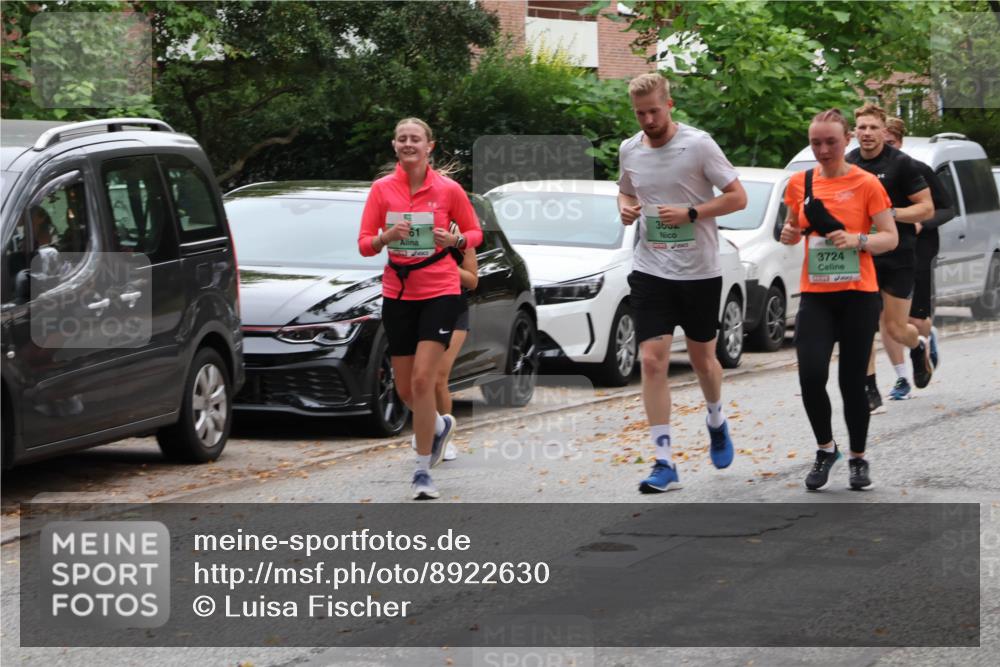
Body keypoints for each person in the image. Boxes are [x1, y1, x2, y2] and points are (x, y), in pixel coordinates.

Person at [617, 72, 748, 493]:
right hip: (650, 269)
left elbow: (738, 197)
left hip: (699, 272)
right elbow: (626, 191)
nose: (648, 120)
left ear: (669, 105)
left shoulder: (699, 145)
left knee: (703, 362)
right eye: (640, 113)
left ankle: (716, 418)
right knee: (652, 360)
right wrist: (626, 208)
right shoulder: (630, 149)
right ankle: (664, 461)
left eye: (654, 111)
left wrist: (692, 213)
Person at [358, 117, 482, 500]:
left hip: (440, 291)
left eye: (415, 139)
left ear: (430, 146)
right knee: (405, 389)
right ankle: (440, 427)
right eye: (402, 139)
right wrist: (386, 237)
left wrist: (454, 240)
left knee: (424, 380)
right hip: (398, 293)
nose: (408, 144)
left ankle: (422, 472)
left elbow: (475, 233)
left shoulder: (448, 190)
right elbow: (364, 244)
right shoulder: (382, 189)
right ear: (394, 146)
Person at [781, 108, 898, 490]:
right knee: (811, 375)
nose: (823, 149)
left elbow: (890, 237)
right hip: (816, 295)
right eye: (816, 143)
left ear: (846, 140)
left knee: (852, 381)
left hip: (858, 295)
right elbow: (793, 228)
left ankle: (858, 458)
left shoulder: (866, 183)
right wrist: (788, 234)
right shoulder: (800, 183)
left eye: (831, 142)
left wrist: (857, 240)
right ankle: (825, 448)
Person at [845, 104, 935, 411]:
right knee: (862, 324)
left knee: (896, 328)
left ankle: (918, 345)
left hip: (898, 255)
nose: (867, 133)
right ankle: (869, 386)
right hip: (862, 253)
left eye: (873, 127)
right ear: (854, 132)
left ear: (884, 131)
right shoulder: (849, 164)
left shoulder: (902, 164)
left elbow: (927, 209)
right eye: (862, 127)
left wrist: (889, 213)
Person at [883, 117, 954, 373]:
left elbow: (947, 209)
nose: (886, 148)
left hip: (920, 248)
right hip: (887, 249)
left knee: (916, 319)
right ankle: (901, 376)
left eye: (891, 143)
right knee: (887, 318)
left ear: (900, 143)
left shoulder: (918, 169)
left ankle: (926, 337)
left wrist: (922, 222)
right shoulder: (869, 173)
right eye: (883, 142)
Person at [418, 222, 479, 462]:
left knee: (438, 377)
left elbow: (472, 280)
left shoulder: (458, 233)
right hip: (418, 307)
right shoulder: (417, 225)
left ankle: (445, 437)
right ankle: (430, 429)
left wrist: (444, 265)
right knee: (418, 378)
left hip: (454, 311)